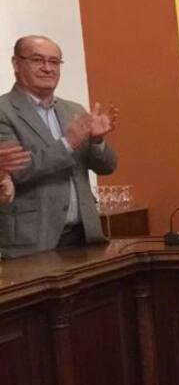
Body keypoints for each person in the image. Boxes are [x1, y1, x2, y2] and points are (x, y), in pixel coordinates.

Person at [0, 35, 117, 257]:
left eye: (54, 62)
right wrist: (67, 142)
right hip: (33, 241)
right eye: (37, 60)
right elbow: (16, 170)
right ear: (16, 63)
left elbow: (107, 167)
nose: (48, 68)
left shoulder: (74, 110)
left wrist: (97, 140)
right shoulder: (4, 111)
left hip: (85, 235)